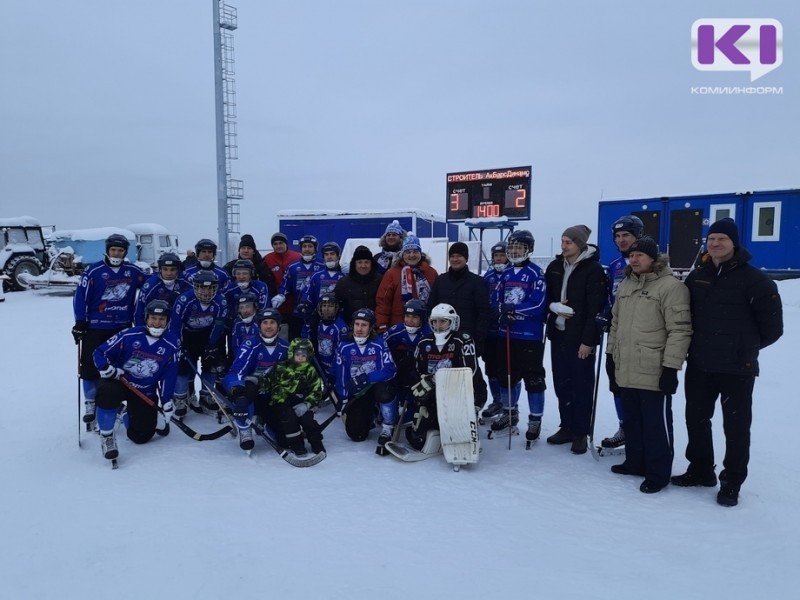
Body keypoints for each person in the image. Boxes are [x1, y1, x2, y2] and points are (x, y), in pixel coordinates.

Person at [671, 218, 783, 507]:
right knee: (696, 420)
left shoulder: (756, 280)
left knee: (735, 428)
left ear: (734, 242)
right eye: (712, 239)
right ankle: (700, 470)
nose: (716, 243)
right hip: (700, 364)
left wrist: (742, 349)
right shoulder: (697, 277)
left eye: (722, 238)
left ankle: (731, 482)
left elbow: (772, 329)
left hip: (736, 368)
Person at [606, 236, 692, 493]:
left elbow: (680, 330)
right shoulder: (626, 285)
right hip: (626, 365)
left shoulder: (671, 287)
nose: (633, 259)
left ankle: (658, 472)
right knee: (632, 420)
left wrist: (671, 367)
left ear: (653, 258)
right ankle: (635, 461)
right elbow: (615, 324)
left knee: (655, 424)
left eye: (639, 255)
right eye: (631, 255)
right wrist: (611, 356)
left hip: (654, 368)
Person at [72, 234, 147, 428]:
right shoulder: (93, 270)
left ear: (125, 252)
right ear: (107, 249)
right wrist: (80, 322)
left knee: (119, 367)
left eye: (120, 250)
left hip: (121, 327)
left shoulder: (132, 271)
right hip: (96, 326)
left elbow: (149, 284)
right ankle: (90, 404)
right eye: (113, 249)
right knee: (89, 366)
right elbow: (80, 297)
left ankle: (113, 401)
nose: (116, 253)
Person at [91, 300, 181, 462]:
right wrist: (106, 368)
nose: (157, 323)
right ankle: (107, 436)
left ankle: (125, 412)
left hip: (144, 391)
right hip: (120, 382)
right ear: (146, 318)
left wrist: (167, 400)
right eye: (153, 318)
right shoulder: (129, 335)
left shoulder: (172, 343)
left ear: (168, 321)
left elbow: (170, 373)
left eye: (162, 319)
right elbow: (100, 352)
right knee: (107, 391)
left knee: (141, 437)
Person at [545, 225, 607, 454]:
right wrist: (552, 305)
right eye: (562, 241)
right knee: (562, 383)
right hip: (558, 335)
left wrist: (588, 341)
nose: (563, 246)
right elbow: (546, 296)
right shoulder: (554, 267)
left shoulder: (593, 270)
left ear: (580, 244)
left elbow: (595, 309)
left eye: (568, 242)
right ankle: (567, 426)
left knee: (581, 385)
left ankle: (581, 431)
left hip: (580, 338)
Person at [487, 230, 548, 441]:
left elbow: (539, 304)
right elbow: (496, 300)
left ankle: (535, 419)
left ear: (528, 249)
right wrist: (500, 311)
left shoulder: (536, 273)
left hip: (529, 335)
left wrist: (512, 309)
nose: (514, 252)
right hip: (507, 334)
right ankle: (509, 413)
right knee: (506, 376)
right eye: (511, 248)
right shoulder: (505, 273)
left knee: (533, 378)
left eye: (518, 248)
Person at [597, 215, 645, 450]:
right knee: (616, 381)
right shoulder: (615, 265)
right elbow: (609, 296)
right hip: (616, 335)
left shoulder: (648, 262)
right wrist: (604, 314)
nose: (621, 240)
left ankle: (640, 430)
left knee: (637, 384)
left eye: (626, 235)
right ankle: (624, 426)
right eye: (617, 236)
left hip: (639, 335)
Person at [405, 303, 478, 455]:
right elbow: (419, 371)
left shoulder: (463, 340)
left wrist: (440, 381)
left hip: (461, 392)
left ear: (453, 322)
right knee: (418, 441)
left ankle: (464, 427)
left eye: (443, 321)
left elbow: (470, 371)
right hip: (435, 393)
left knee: (455, 426)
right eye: (434, 321)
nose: (438, 326)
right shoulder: (424, 342)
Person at [427, 242, 490, 413]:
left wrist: (478, 340)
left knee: (468, 374)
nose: (455, 259)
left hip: (467, 337)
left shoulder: (477, 282)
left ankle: (473, 405)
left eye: (459, 256)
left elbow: (484, 313)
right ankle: (446, 408)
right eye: (452, 256)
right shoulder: (441, 280)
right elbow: (431, 307)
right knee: (445, 373)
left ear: (466, 258)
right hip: (443, 338)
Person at [223, 307, 289, 450]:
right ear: (259, 326)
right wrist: (238, 389)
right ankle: (244, 428)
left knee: (284, 440)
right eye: (265, 323)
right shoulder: (250, 345)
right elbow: (236, 371)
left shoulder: (286, 347)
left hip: (273, 394)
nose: (269, 326)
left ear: (278, 326)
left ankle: (266, 421)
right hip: (252, 392)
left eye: (272, 322)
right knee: (244, 395)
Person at [168, 270, 229, 416]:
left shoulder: (221, 302)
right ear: (196, 287)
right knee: (183, 365)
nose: (206, 291)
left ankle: (206, 395)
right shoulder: (184, 299)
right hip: (187, 335)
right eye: (202, 287)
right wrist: (178, 345)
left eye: (210, 288)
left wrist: (211, 344)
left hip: (207, 335)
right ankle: (181, 397)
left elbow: (219, 324)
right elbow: (175, 325)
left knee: (211, 363)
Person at [335, 308, 397, 443]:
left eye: (364, 325)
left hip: (376, 387)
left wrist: (367, 377)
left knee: (385, 393)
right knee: (356, 435)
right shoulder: (344, 345)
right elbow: (341, 374)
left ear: (371, 327)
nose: (359, 328)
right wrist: (343, 397)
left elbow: (390, 369)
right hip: (358, 391)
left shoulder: (379, 344)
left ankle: (388, 425)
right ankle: (373, 413)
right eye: (357, 324)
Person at [255, 338, 326, 456]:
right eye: (298, 354)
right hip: (281, 401)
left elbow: (316, 389)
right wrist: (257, 382)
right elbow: (268, 380)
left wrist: (307, 403)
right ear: (292, 353)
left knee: (308, 420)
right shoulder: (280, 367)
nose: (301, 357)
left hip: (301, 402)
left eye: (304, 355)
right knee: (290, 419)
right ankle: (297, 445)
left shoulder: (310, 370)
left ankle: (316, 443)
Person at [382, 299, 432, 449]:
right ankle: (392, 414)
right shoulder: (397, 330)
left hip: (423, 370)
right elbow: (383, 347)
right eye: (407, 316)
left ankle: (412, 413)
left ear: (422, 318)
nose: (410, 321)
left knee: (417, 388)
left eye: (415, 317)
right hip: (405, 366)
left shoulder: (429, 332)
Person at [482, 241, 519, 415]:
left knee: (508, 370)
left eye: (502, 255)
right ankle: (497, 400)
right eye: (496, 255)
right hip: (490, 329)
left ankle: (510, 406)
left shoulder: (513, 274)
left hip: (508, 329)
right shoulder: (487, 277)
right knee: (491, 368)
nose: (499, 258)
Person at [375, 233, 437, 332]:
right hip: (399, 328)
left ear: (420, 253)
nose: (411, 255)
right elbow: (383, 302)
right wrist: (382, 325)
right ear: (402, 254)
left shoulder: (431, 273)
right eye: (408, 252)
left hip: (425, 328)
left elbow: (436, 300)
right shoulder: (392, 273)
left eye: (415, 252)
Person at [272, 234, 324, 341]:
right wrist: (281, 295)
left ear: (315, 249)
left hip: (319, 312)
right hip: (298, 311)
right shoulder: (293, 267)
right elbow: (285, 285)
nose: (307, 249)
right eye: (304, 246)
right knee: (296, 339)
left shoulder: (323, 265)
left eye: (310, 246)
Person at [296, 241, 345, 337]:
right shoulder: (316, 276)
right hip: (318, 318)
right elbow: (307, 293)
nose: (329, 257)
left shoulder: (344, 277)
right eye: (326, 254)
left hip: (339, 318)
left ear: (338, 256)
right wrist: (304, 304)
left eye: (332, 254)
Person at [134, 252, 188, 326]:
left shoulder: (185, 281)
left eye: (172, 270)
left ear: (178, 270)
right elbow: (138, 312)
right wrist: (141, 333)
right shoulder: (151, 285)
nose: (169, 273)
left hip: (179, 325)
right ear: (160, 269)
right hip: (156, 325)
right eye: (165, 269)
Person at [263, 232, 302, 330]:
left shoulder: (297, 257)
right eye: (275, 244)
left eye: (281, 243)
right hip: (277, 305)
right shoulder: (267, 259)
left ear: (286, 244)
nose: (278, 246)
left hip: (295, 303)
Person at [334, 244, 382, 320]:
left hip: (375, 326)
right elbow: (336, 306)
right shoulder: (343, 283)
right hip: (351, 326)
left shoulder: (380, 280)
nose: (363, 266)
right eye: (360, 262)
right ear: (354, 264)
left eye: (366, 262)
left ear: (371, 263)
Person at [311, 293, 349, 387]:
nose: (326, 309)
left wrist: (333, 372)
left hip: (335, 371)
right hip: (322, 367)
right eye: (324, 305)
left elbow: (341, 353)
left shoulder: (341, 328)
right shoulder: (317, 323)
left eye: (330, 306)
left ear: (336, 308)